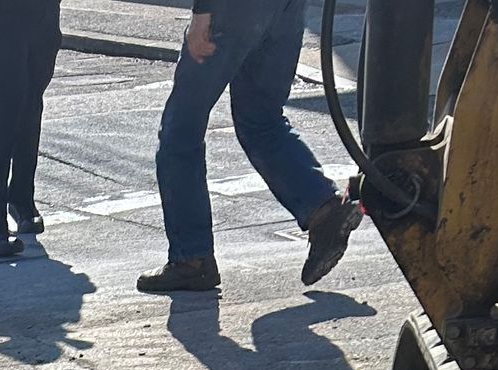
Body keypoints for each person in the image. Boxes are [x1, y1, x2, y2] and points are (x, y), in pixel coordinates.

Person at [139, 0, 361, 295]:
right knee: (262, 121)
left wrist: (202, 13)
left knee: (181, 133)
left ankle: (191, 259)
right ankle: (322, 209)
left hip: (231, 11)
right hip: (286, 9)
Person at [0, 0, 63, 265]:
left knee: (31, 103)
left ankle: (21, 200)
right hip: (0, 13)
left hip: (42, 12)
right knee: (8, 109)